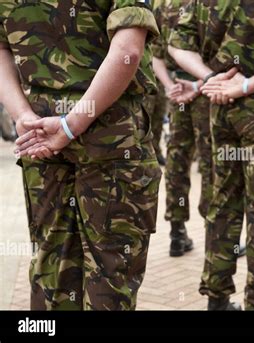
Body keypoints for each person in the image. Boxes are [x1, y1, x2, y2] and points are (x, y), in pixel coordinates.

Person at [2, 0, 161, 310]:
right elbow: (127, 51)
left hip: (38, 132)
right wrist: (72, 124)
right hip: (110, 137)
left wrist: (21, 114)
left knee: (52, 261)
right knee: (111, 268)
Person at [168, 0, 254, 310]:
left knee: (223, 203)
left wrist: (209, 79)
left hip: (223, 112)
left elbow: (177, 45)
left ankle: (216, 298)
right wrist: (241, 86)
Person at [151, 0, 213, 257]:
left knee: (177, 157)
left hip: (178, 92)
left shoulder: (160, 5)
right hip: (211, 91)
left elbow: (155, 56)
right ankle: (214, 233)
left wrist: (169, 88)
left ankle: (177, 233)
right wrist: (201, 82)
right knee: (211, 163)